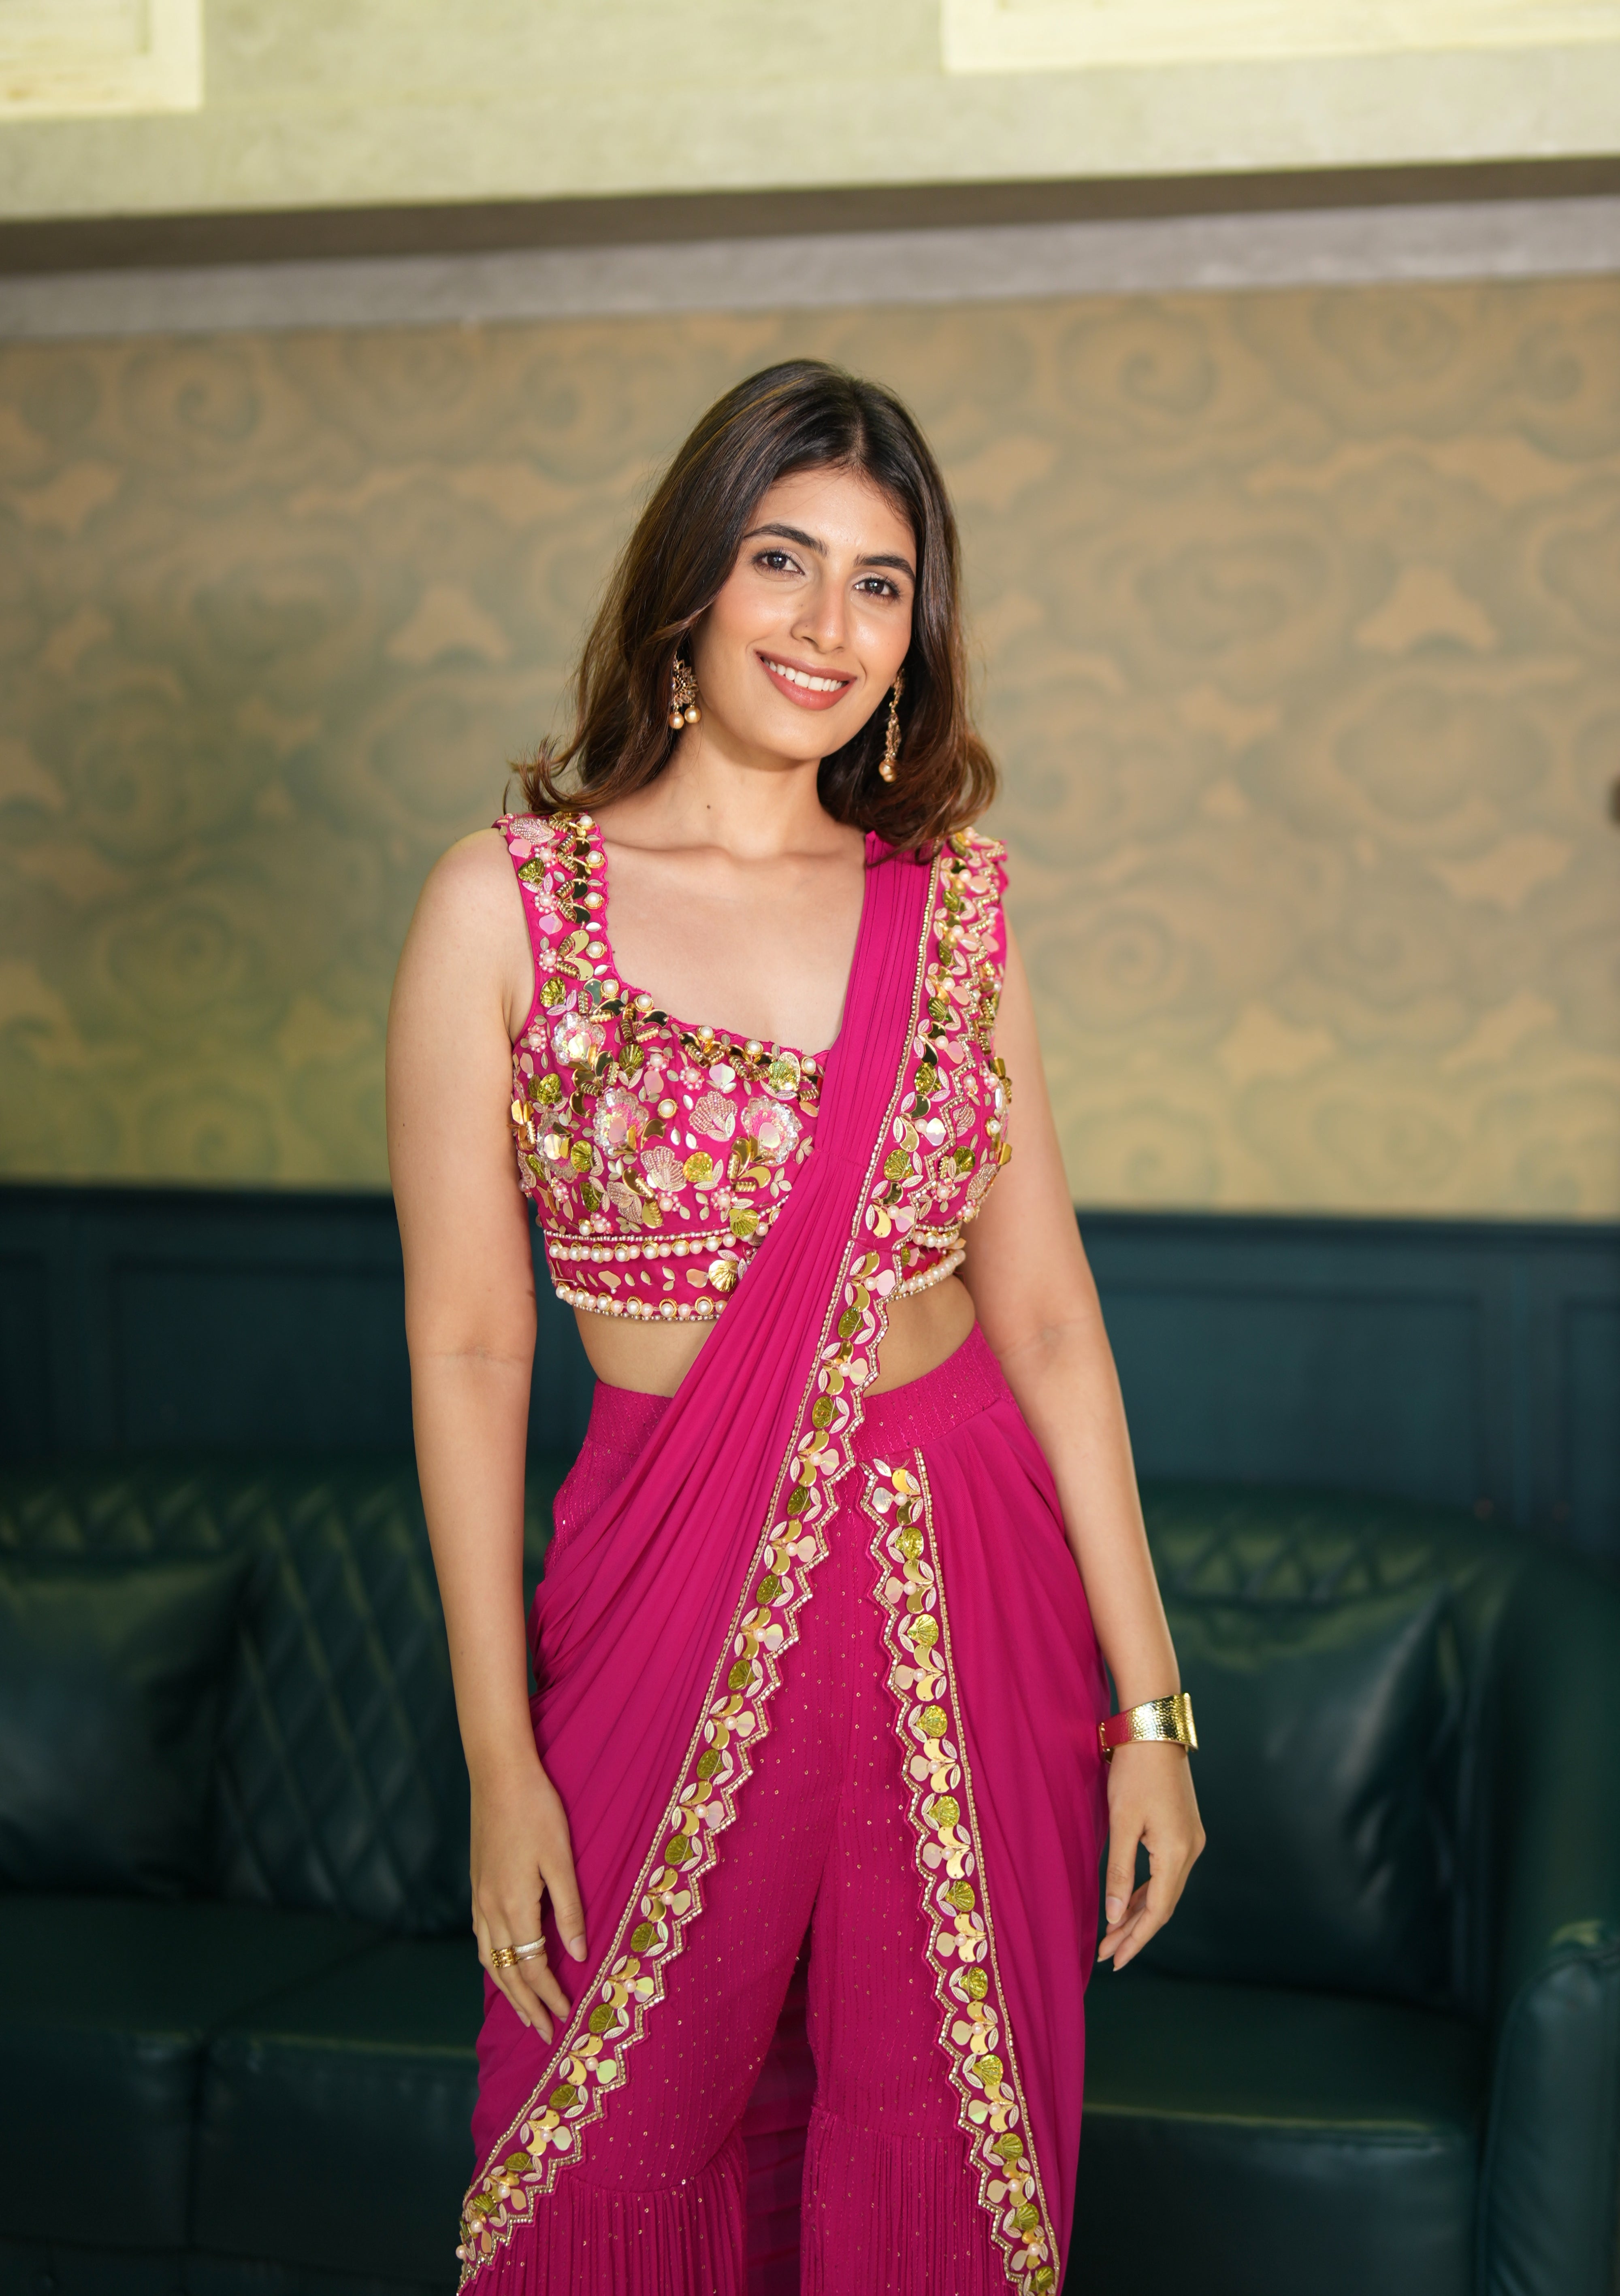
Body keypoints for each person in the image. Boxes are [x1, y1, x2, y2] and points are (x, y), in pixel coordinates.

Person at [387, 359, 1204, 2296]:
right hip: (663, 1575)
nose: (827, 625)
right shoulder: (506, 905)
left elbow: (1052, 1318)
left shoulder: (956, 906)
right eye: (783, 559)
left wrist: (1151, 1711)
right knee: (604, 2134)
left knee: (942, 2127)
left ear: (917, 639)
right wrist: (499, 1758)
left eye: (880, 583)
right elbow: (472, 1348)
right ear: (691, 586)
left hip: (954, 1564)